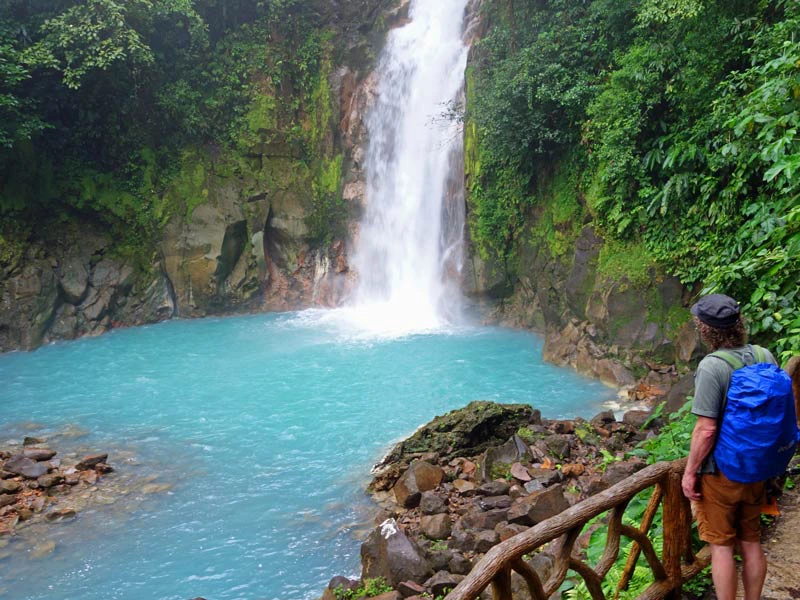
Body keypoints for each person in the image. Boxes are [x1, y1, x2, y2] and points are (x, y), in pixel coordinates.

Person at [681, 293, 778, 600]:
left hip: (721, 472)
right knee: (751, 540)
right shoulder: (764, 355)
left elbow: (706, 429)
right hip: (757, 467)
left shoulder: (713, 366)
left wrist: (689, 472)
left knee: (720, 546)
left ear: (705, 329)